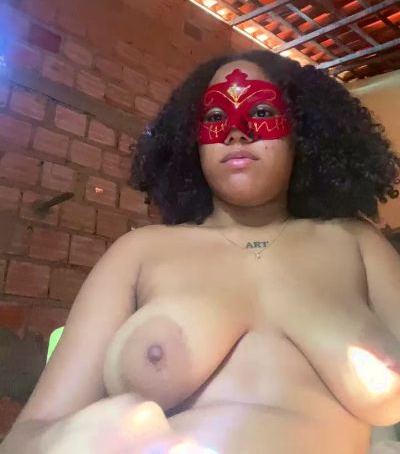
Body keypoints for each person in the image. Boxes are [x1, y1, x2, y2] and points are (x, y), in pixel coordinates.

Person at [2, 49, 400, 454]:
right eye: (215, 117)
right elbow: (26, 437)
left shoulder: (356, 243)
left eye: (261, 112)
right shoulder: (139, 252)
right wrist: (73, 439)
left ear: (302, 130)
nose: (236, 132)